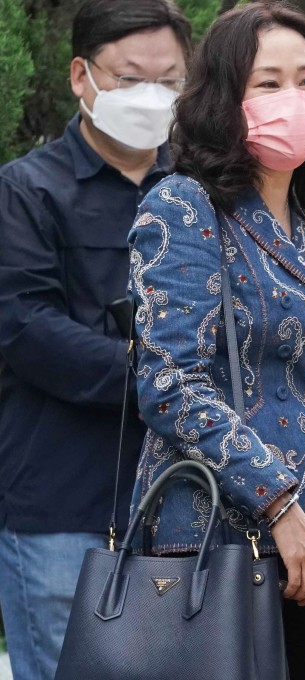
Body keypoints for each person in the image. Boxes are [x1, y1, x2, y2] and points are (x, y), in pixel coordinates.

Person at [126, 4, 305, 677]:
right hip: (223, 545)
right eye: (268, 83)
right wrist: (281, 505)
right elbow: (170, 384)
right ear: (224, 99)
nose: (292, 99)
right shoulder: (184, 205)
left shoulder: (301, 224)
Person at [0, 2, 189, 678]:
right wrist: (162, 385)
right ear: (82, 76)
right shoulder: (25, 191)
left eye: (170, 82)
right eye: (131, 78)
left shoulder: (200, 193)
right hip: (63, 509)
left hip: (187, 511)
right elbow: (24, 326)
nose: (152, 99)